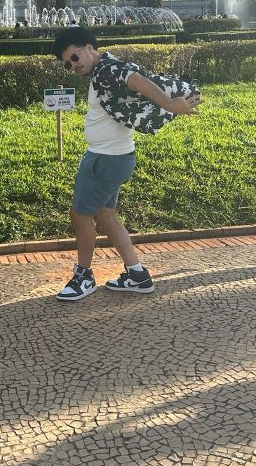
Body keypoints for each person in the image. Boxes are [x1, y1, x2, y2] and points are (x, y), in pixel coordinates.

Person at [53, 26, 202, 302]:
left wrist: (170, 104)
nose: (73, 65)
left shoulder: (107, 69)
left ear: (88, 47)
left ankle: (83, 276)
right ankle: (137, 275)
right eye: (67, 64)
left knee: (80, 215)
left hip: (106, 159)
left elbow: (136, 80)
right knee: (105, 215)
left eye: (75, 57)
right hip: (111, 157)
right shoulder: (102, 72)